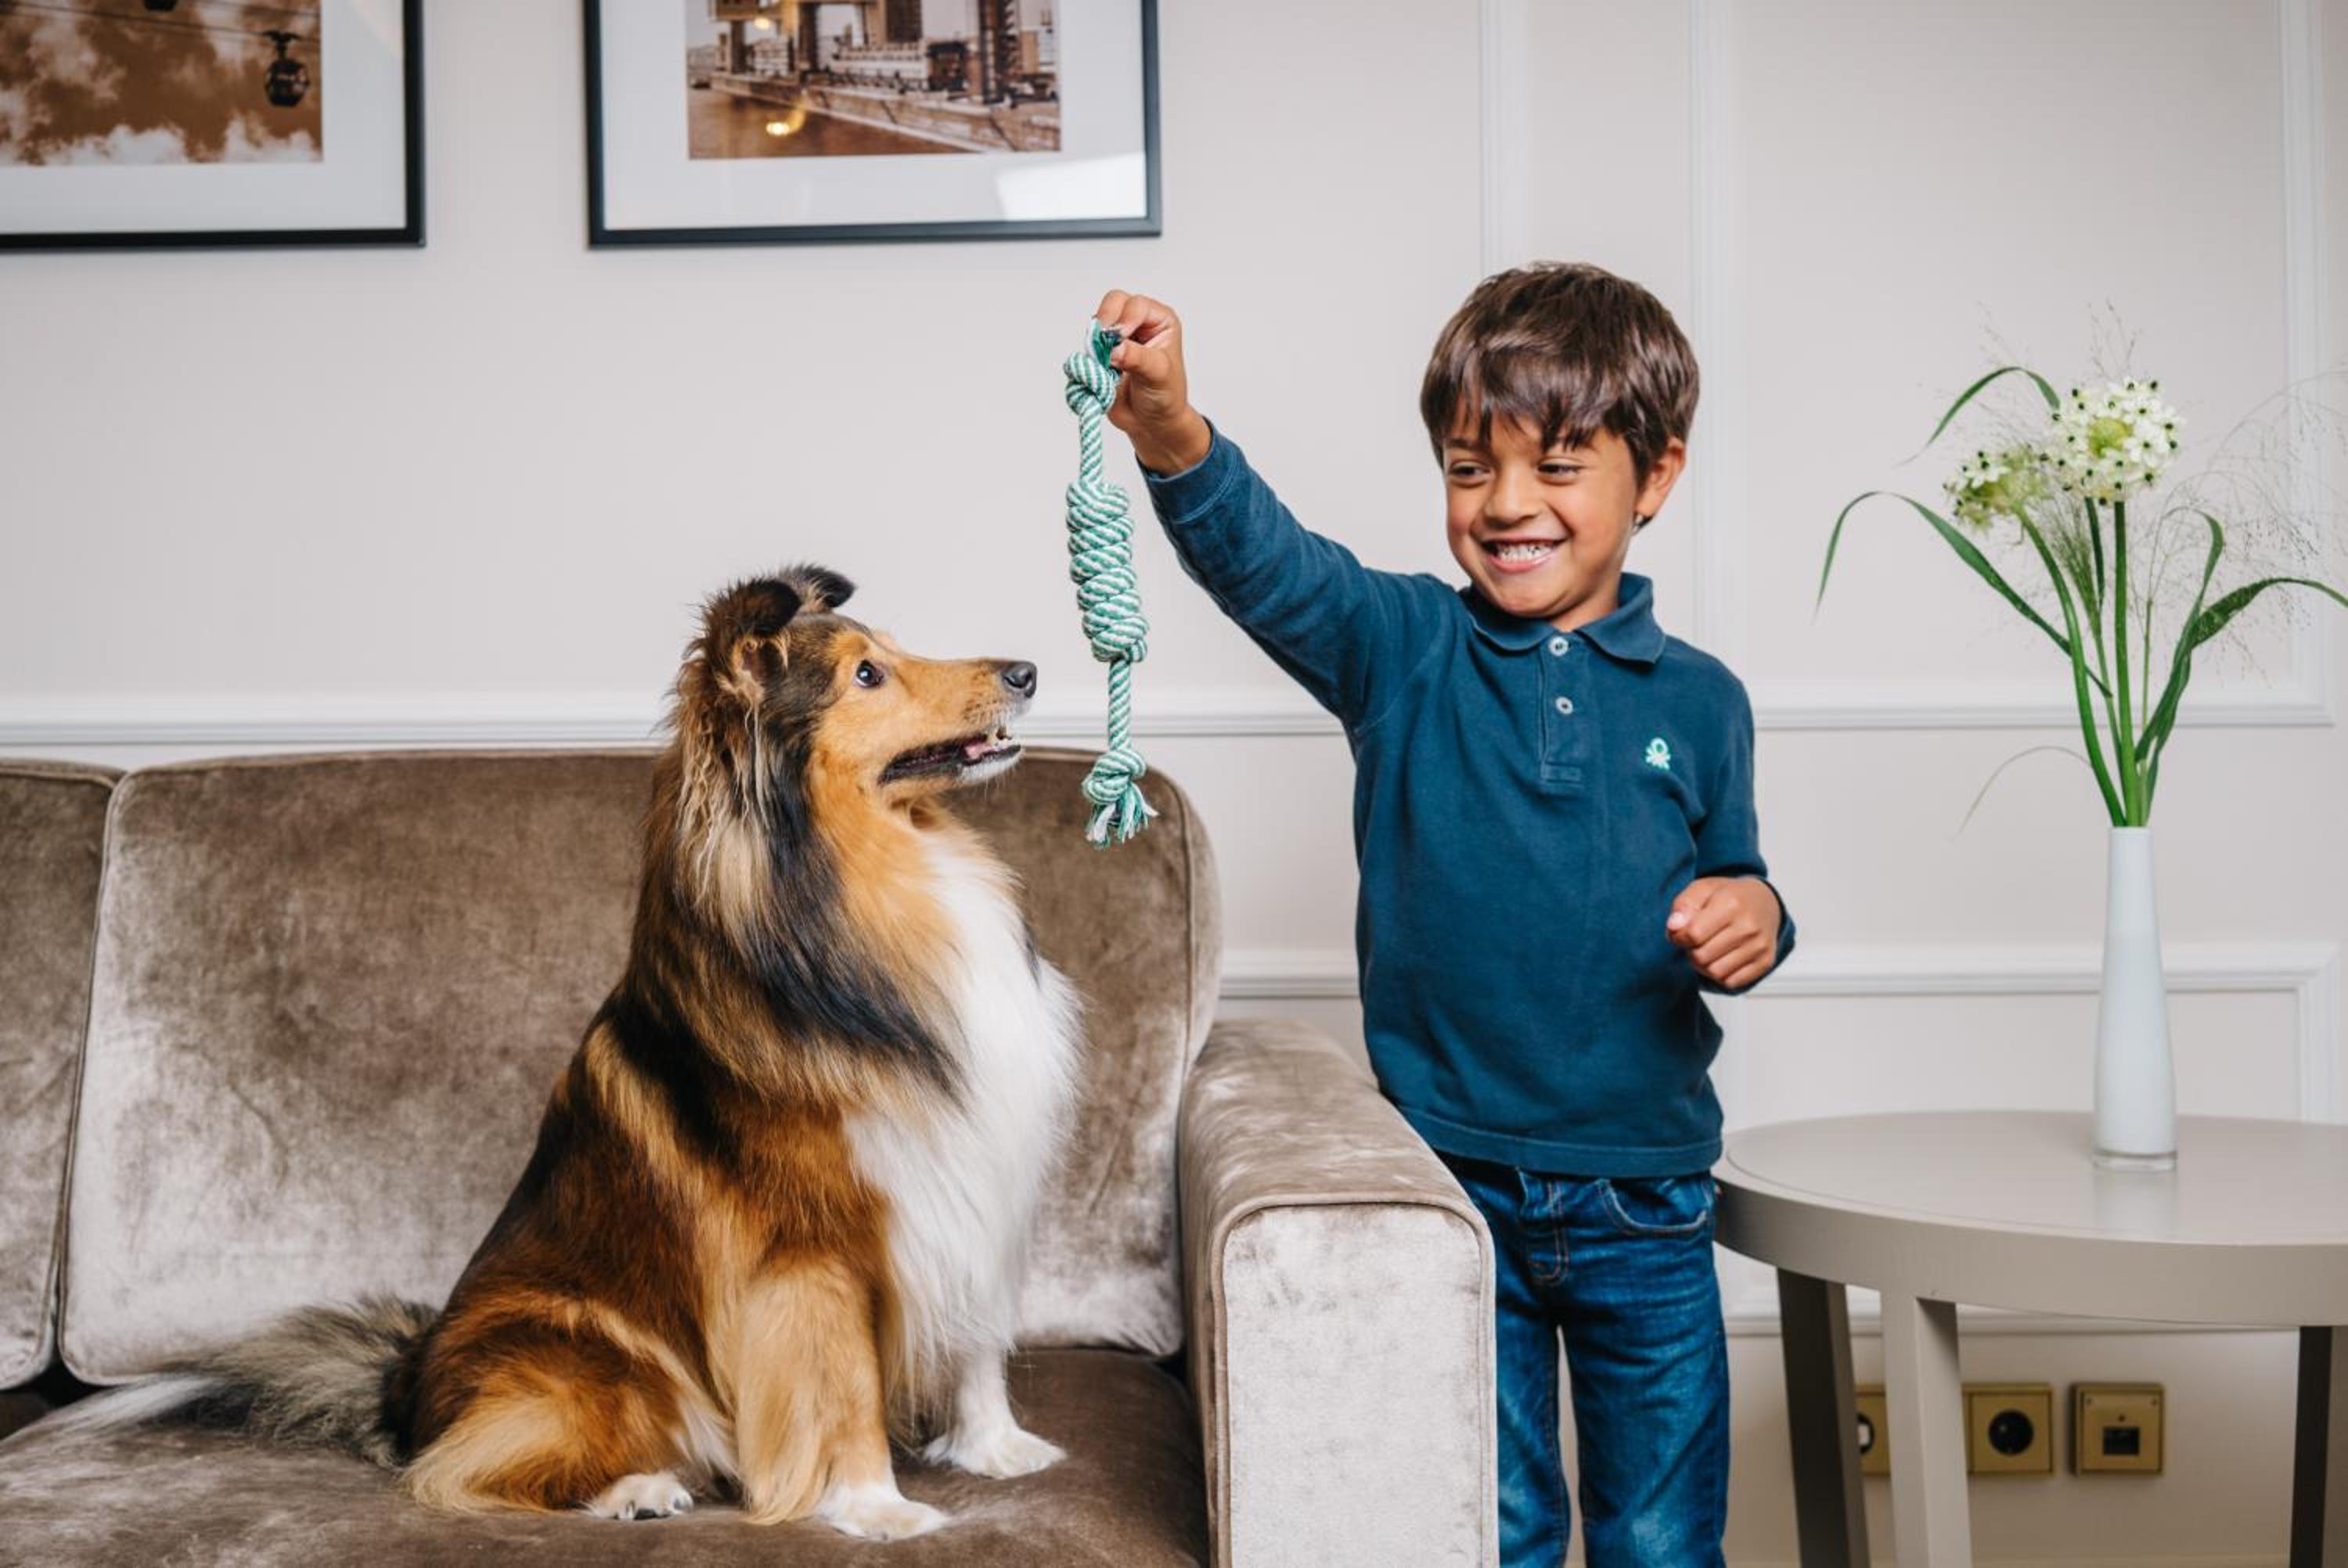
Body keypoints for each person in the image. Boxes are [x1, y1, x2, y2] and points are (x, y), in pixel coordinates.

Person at [1092, 262, 1795, 1568]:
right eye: (1473, 469)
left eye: (1559, 467)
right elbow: (1270, 564)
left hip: (1648, 1200)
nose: (1509, 503)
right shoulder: (1404, 648)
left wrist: (1756, 913)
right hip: (1449, 1187)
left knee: (1659, 1537)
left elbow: (1741, 873)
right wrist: (1172, 430)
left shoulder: (1704, 701)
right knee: (1496, 1527)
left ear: (1656, 476)